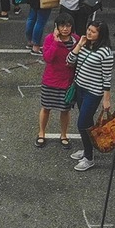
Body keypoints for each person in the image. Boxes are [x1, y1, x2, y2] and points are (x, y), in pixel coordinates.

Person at [66, 20, 114, 172]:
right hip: (80, 88)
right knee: (87, 123)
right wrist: (79, 44)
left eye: (93, 32)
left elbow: (107, 77)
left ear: (101, 35)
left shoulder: (105, 52)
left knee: (82, 123)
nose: (89, 33)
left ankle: (89, 157)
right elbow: (69, 61)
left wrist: (106, 99)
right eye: (88, 30)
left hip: (93, 92)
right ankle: (88, 150)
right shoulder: (85, 45)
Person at [37, 13, 78, 148]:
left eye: (68, 25)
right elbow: (48, 58)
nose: (65, 29)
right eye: (62, 26)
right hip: (51, 80)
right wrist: (55, 42)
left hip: (67, 81)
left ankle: (64, 134)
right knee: (46, 108)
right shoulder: (50, 39)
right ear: (57, 27)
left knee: (65, 110)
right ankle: (41, 133)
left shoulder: (76, 40)